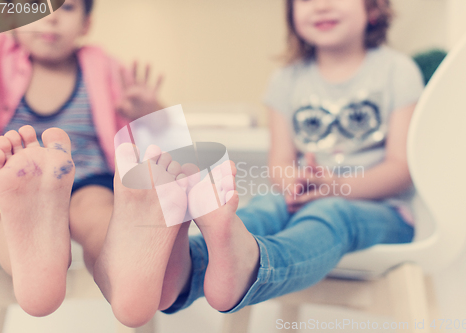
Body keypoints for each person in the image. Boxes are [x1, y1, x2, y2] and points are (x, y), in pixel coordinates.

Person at [156, 0, 424, 316]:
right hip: (307, 197)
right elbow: (280, 165)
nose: (321, 6)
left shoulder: (397, 70)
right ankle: (184, 265)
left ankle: (255, 265)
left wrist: (333, 186)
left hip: (384, 211)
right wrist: (296, 183)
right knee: (266, 206)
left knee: (331, 210)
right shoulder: (286, 80)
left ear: (373, 8)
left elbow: (401, 169)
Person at [0, 0, 181, 326]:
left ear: (86, 24)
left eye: (67, 8)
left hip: (89, 176)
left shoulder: (107, 69)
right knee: (10, 218)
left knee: (97, 214)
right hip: (18, 181)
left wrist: (148, 111)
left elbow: (168, 138)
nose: (50, 20)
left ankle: (125, 276)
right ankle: (35, 263)